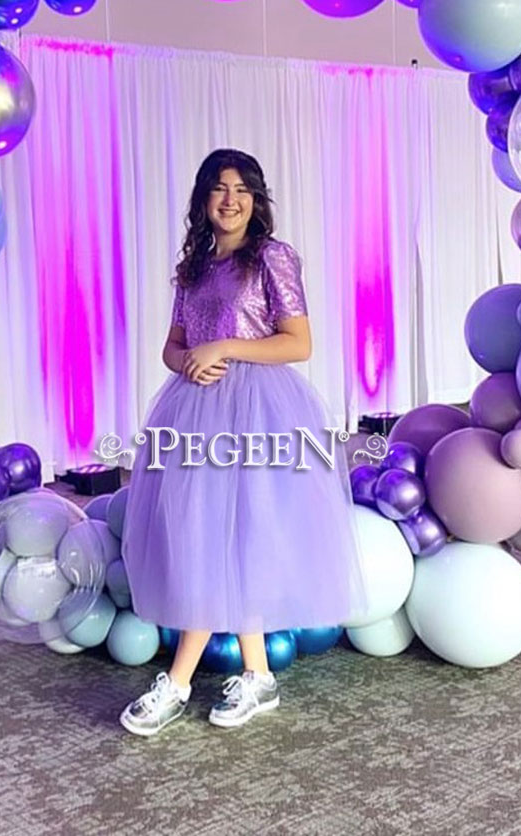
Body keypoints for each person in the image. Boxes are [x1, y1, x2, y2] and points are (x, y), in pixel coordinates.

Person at [119, 149, 366, 736]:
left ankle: (177, 683)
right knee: (214, 536)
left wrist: (225, 347)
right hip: (195, 411)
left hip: (259, 414)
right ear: (204, 200)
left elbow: (297, 343)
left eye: (242, 190)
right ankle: (257, 674)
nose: (230, 200)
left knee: (233, 531)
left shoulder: (273, 258)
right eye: (219, 189)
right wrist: (188, 362)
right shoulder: (194, 267)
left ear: (256, 201)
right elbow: (173, 346)